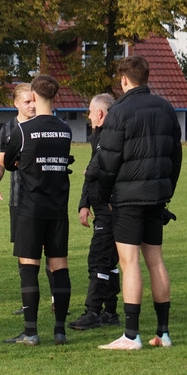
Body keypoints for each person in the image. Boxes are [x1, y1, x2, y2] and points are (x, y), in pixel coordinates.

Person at [97, 55, 182, 350]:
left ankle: (131, 335)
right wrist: (167, 190)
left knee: (129, 262)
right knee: (155, 260)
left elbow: (108, 161)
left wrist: (103, 196)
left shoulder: (118, 112)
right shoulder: (166, 108)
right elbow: (175, 155)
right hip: (157, 195)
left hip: (128, 197)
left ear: (124, 80)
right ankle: (163, 332)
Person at [0, 75, 74, 346]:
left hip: (30, 208)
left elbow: (9, 162)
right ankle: (60, 331)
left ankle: (30, 332)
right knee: (59, 266)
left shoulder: (23, 130)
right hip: (58, 209)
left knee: (29, 267)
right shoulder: (65, 129)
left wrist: (23, 161)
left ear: (34, 95)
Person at [69, 94, 121, 330]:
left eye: (90, 112)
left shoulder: (111, 136)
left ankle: (93, 311)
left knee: (99, 259)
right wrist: (84, 203)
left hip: (109, 208)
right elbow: (92, 171)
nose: (88, 116)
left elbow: (97, 170)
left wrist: (90, 171)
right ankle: (110, 310)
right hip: (101, 206)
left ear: (100, 114)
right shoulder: (98, 136)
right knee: (109, 261)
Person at [0, 83, 37, 315]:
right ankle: (28, 302)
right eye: (27, 101)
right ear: (16, 103)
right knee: (23, 252)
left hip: (44, 199)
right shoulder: (8, 129)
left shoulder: (43, 125)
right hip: (19, 199)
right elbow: (0, 162)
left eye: (34, 100)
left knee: (51, 252)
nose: (32, 105)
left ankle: (55, 300)